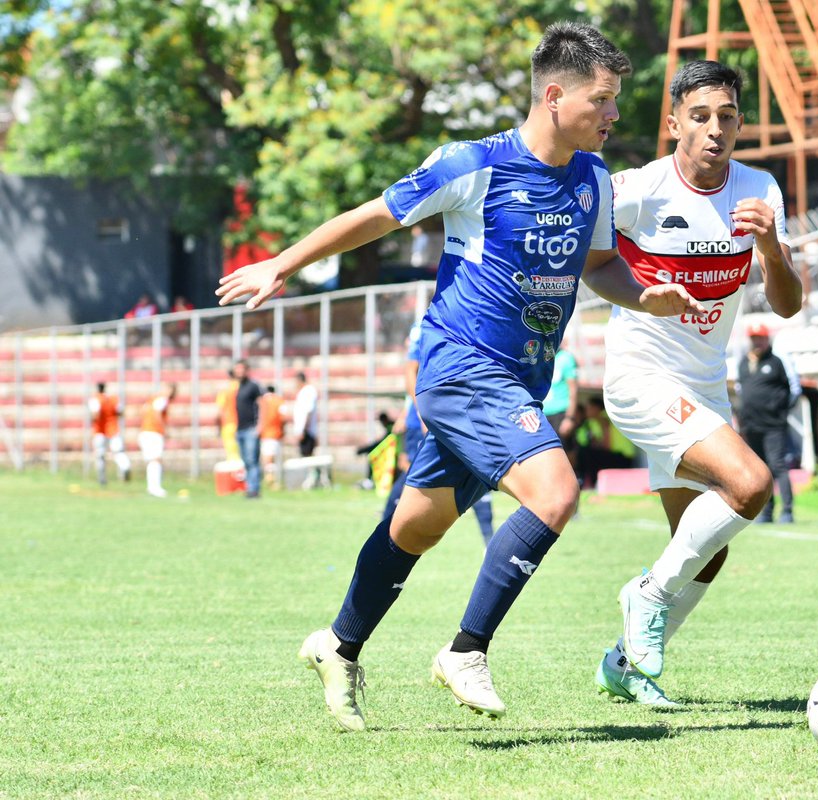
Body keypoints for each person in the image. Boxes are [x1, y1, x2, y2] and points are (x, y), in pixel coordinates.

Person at [216, 22, 702, 730]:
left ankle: (339, 644)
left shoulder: (594, 178)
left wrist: (645, 294)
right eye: (603, 99)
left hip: (520, 384)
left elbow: (600, 268)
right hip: (461, 369)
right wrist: (281, 265)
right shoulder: (473, 164)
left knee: (414, 529)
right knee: (555, 492)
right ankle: (465, 650)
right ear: (555, 95)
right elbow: (376, 216)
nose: (614, 114)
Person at [594, 60, 803, 705]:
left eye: (729, 116)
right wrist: (644, 298)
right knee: (750, 484)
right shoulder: (641, 188)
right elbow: (593, 265)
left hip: (704, 387)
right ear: (675, 120)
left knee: (708, 551)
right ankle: (647, 596)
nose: (716, 129)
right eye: (702, 115)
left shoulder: (760, 190)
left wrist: (771, 249)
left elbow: (789, 304)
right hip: (640, 376)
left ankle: (625, 666)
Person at [380, 316, 495, 545]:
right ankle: (385, 538)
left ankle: (488, 541)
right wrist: (422, 413)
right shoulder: (427, 325)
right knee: (414, 478)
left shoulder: (475, 320)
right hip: (431, 419)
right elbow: (410, 371)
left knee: (479, 474)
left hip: (462, 416)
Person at [737, 322, 802, 524]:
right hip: (751, 426)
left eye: (760, 338)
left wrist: (780, 412)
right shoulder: (743, 363)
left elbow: (794, 390)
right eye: (754, 338)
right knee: (761, 471)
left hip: (773, 426)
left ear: (767, 339)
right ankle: (766, 512)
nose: (757, 342)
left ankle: (787, 511)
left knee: (778, 466)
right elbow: (741, 391)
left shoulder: (776, 362)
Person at [574, 396, 637, 489]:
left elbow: (606, 446)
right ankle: (587, 482)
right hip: (614, 455)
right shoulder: (592, 422)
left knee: (588, 454)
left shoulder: (606, 417)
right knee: (586, 453)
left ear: (597, 409)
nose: (586, 410)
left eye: (589, 407)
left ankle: (591, 484)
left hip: (624, 457)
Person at [543, 347, 580, 467]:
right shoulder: (541, 357)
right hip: (543, 412)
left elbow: (573, 389)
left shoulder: (566, 358)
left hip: (561, 412)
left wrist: (570, 417)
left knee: (566, 450)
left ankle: (576, 478)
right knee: (546, 451)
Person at [88, 381, 131, 485]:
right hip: (113, 430)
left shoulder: (96, 399)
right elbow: (121, 412)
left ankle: (102, 479)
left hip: (100, 431)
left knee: (100, 455)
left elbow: (95, 414)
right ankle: (125, 467)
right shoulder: (113, 399)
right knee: (118, 452)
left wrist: (93, 421)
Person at [138, 382, 176, 498]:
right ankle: (155, 488)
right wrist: (163, 428)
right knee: (156, 460)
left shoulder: (152, 399)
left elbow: (143, 411)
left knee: (153, 460)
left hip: (145, 431)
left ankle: (152, 486)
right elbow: (157, 413)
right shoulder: (162, 400)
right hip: (153, 432)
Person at [232, 360, 264, 499]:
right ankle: (249, 487)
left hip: (251, 429)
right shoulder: (238, 387)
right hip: (240, 429)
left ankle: (254, 489)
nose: (239, 372)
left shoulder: (253, 386)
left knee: (252, 460)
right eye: (237, 369)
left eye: (241, 369)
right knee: (245, 460)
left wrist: (260, 426)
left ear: (247, 370)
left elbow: (263, 405)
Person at [259, 384, 286, 489]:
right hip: (276, 433)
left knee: (267, 459)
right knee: (272, 459)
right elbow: (283, 417)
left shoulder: (261, 401)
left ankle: (271, 481)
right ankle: (272, 481)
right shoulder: (279, 401)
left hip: (263, 434)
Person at [214, 371, 241, 461]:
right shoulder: (243, 389)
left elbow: (220, 410)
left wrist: (217, 425)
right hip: (243, 422)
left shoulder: (225, 391)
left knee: (231, 450)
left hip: (228, 423)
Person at [292, 371, 319, 458]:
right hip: (305, 431)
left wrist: (303, 431)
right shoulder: (304, 392)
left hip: (307, 432)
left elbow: (308, 412)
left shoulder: (308, 391)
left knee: (307, 458)